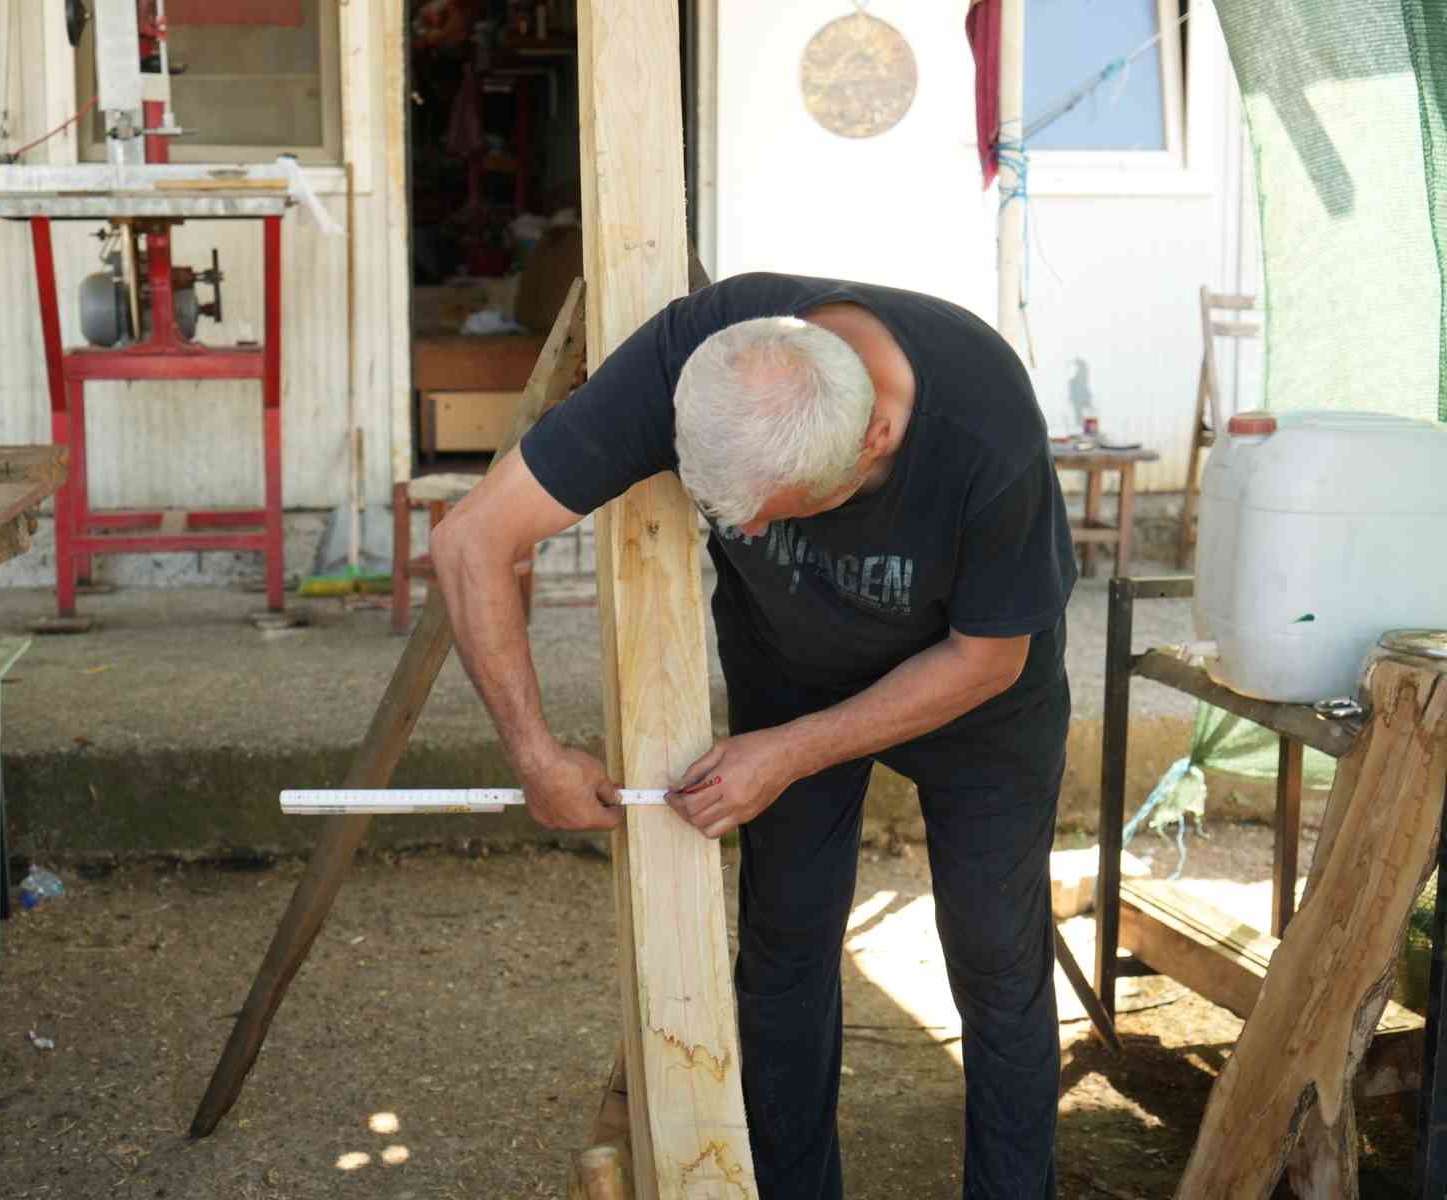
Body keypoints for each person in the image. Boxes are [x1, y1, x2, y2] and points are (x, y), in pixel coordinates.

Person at [429, 271, 1076, 1199]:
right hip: (790, 670)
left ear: (877, 440)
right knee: (784, 945)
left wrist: (789, 751)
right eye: (736, 518)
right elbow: (470, 541)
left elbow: (987, 660)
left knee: (995, 957)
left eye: (784, 513)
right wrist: (533, 751)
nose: (752, 535)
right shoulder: (698, 356)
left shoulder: (983, 420)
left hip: (974, 698)